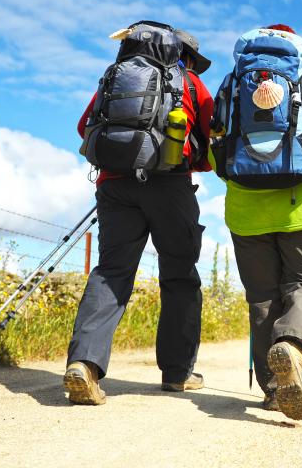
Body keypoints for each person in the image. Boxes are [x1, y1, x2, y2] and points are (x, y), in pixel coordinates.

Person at [209, 24, 302, 421]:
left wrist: (244, 180)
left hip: (245, 215)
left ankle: (273, 391)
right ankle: (292, 347)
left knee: (262, 299)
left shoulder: (232, 90)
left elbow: (216, 157)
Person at [63, 22, 213, 405]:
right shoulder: (190, 84)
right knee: (180, 275)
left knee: (111, 271)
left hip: (114, 185)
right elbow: (210, 142)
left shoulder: (116, 78)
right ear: (184, 55)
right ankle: (178, 374)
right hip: (170, 186)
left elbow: (85, 127)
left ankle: (84, 364)